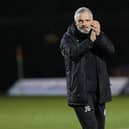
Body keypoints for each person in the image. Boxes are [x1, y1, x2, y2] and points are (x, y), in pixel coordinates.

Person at [60, 7, 115, 129]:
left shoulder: (97, 34)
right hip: (81, 93)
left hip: (99, 91)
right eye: (80, 21)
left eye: (87, 20)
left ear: (92, 21)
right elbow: (74, 54)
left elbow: (111, 51)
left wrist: (99, 35)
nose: (84, 24)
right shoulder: (68, 38)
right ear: (75, 22)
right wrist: (89, 41)